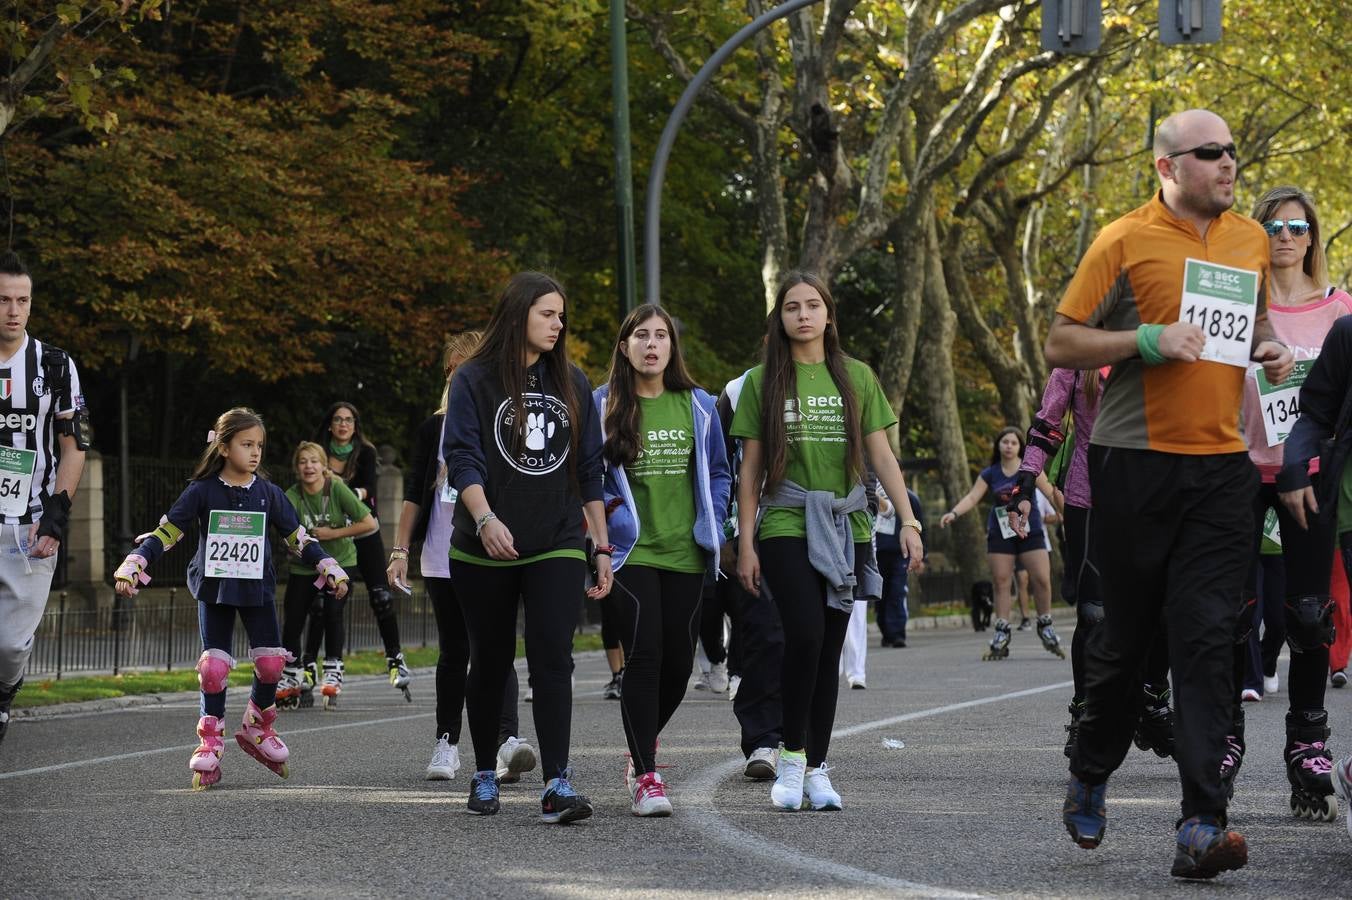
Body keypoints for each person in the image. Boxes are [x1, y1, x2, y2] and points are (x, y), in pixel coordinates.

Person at [1050, 108, 1293, 879]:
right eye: (1212, 153)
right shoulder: (1123, 239)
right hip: (1135, 466)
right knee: (1122, 647)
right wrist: (1144, 340)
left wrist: (1269, 349)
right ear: (1168, 167)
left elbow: (1251, 323)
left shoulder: (1251, 238)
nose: (1229, 163)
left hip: (1222, 471)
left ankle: (1201, 822)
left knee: (1207, 642)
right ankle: (1091, 765)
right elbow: (1060, 340)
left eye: (1234, 150)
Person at [731, 270, 923, 812]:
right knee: (807, 635)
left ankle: (817, 767)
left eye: (812, 305)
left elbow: (882, 456)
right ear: (781, 318)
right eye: (792, 307)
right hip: (787, 521)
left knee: (830, 650)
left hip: (848, 525)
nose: (803, 315)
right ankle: (791, 759)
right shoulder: (762, 380)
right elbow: (749, 471)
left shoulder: (856, 376)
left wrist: (908, 521)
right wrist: (746, 543)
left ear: (828, 315)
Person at [443, 271, 611, 823]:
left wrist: (601, 547)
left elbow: (590, 470)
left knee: (552, 658)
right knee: (489, 661)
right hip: (482, 544)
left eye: (562, 315)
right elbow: (462, 456)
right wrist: (484, 517)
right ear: (518, 314)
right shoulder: (473, 379)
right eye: (548, 313)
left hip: (557, 541)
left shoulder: (575, 382)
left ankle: (558, 782)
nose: (558, 324)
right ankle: (485, 774)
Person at [113, 408, 350, 789]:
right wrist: (136, 560)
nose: (255, 453)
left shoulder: (269, 494)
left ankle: (258, 725)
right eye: (246, 444)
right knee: (214, 668)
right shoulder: (202, 490)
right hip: (215, 589)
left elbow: (298, 538)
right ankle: (210, 739)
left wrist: (327, 565)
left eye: (259, 445)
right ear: (223, 447)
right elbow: (169, 530)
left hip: (256, 590)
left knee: (272, 664)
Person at [1229, 186, 1352, 821]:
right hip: (1237, 471)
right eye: (1273, 226)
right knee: (1228, 612)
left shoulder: (1341, 310)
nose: (1285, 236)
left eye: (1297, 227)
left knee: (1308, 614)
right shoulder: (1237, 307)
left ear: (1313, 237)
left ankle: (1308, 746)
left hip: (1308, 475)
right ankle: (1221, 741)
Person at [594, 303, 731, 816]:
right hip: (632, 551)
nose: (652, 344)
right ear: (625, 346)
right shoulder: (602, 404)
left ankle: (639, 746)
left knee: (678, 661)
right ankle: (647, 773)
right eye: (641, 336)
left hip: (688, 550)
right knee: (645, 654)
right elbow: (588, 477)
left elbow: (719, 472)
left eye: (661, 336)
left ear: (672, 347)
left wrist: (713, 519)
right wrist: (604, 529)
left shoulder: (698, 404)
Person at [387, 331, 535, 784]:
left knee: (495, 649)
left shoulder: (508, 419)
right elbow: (414, 492)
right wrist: (399, 550)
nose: (464, 375)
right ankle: (446, 742)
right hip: (442, 553)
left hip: (493, 549)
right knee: (455, 651)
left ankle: (506, 741)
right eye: (455, 368)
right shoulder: (434, 428)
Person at [0, 252, 88, 747]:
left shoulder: (55, 366)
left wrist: (56, 516)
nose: (13, 310)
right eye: (4, 300)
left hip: (28, 524)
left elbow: (73, 447)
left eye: (22, 301)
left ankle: (5, 690)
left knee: (11, 645)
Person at [939, 427, 1063, 661]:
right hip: (1001, 533)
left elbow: (1049, 492)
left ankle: (1045, 623)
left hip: (1030, 530)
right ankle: (1002, 629)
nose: (1008, 446)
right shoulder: (990, 473)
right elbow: (973, 497)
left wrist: (1065, 511)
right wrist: (954, 513)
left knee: (1042, 579)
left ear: (1020, 447)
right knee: (1001, 581)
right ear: (998, 445)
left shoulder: (1032, 469)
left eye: (1013, 442)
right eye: (1004, 442)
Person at [315, 401, 411, 700]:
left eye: (349, 420)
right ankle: (326, 664)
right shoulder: (316, 452)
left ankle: (395, 658)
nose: (343, 425)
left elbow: (368, 486)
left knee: (380, 595)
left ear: (355, 426)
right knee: (330, 599)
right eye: (338, 419)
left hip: (363, 529)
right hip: (333, 534)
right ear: (330, 424)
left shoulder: (366, 452)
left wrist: (342, 492)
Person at [717, 368, 785, 780]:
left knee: (806, 636)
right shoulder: (740, 391)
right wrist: (729, 536)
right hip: (754, 529)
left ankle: (800, 739)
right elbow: (721, 466)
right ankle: (763, 740)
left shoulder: (840, 380)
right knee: (764, 632)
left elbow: (861, 453)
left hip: (815, 529)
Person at [275, 442, 375, 710]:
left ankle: (333, 668)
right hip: (305, 567)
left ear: (324, 466)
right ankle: (291, 672)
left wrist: (333, 533)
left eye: (314, 461)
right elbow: (284, 530)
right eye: (303, 462)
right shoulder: (292, 495)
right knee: (293, 618)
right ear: (297, 468)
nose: (309, 466)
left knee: (333, 612)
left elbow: (369, 523)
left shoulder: (336, 489)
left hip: (340, 563)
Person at [873, 484, 924, 648]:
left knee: (897, 591)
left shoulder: (910, 499)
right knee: (880, 594)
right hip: (877, 552)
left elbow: (920, 527)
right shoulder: (871, 492)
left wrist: (923, 556)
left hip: (900, 553)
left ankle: (897, 634)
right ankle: (886, 632)